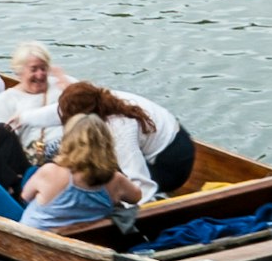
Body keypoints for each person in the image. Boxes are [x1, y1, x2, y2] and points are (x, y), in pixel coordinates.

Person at [0, 114, 133, 234]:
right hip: (80, 230)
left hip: (32, 232)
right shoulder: (115, 179)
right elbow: (136, 197)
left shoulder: (51, 171)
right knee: (32, 172)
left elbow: (24, 197)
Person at [61, 80, 194, 199]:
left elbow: (141, 183)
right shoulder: (101, 99)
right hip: (175, 138)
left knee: (103, 170)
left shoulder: (119, 129)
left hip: (172, 165)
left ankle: (159, 195)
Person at [0, 43, 66, 158]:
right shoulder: (6, 99)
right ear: (19, 72)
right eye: (34, 69)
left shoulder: (60, 85)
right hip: (35, 158)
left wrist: (66, 84)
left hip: (72, 147)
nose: (40, 74)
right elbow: (2, 142)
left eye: (43, 68)